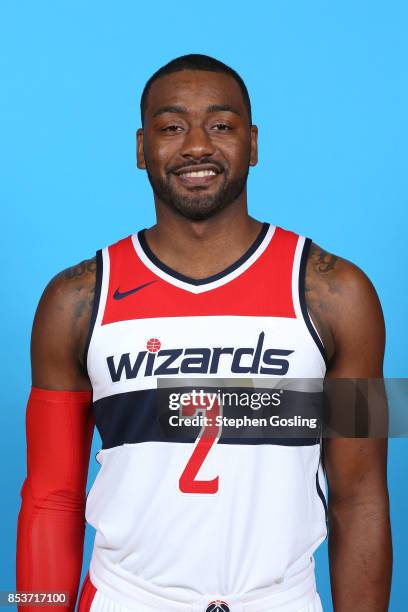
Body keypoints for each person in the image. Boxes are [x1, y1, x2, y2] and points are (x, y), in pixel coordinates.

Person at [16, 54, 392, 612]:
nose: (197, 146)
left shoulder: (341, 294)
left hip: (280, 599)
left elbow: (361, 498)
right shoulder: (73, 300)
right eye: (172, 127)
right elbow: (51, 497)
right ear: (141, 148)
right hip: (126, 597)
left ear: (254, 143)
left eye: (221, 125)